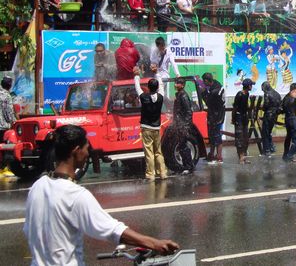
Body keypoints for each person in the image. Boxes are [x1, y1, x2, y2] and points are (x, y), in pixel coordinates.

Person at [24, 125, 179, 265]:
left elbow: (29, 230)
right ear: (76, 150)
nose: (88, 153)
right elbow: (113, 230)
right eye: (86, 148)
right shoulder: (75, 195)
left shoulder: (37, 187)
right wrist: (154, 243)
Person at [134, 66, 167, 181]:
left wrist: (136, 75)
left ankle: (150, 174)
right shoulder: (161, 96)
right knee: (158, 151)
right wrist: (157, 73)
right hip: (156, 128)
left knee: (149, 152)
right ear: (157, 87)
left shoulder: (143, 97)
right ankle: (162, 173)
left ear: (148, 87)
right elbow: (161, 84)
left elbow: (137, 87)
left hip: (146, 128)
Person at [200, 73, 225, 164]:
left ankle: (219, 156)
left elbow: (208, 103)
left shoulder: (215, 91)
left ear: (207, 80)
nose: (203, 83)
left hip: (217, 116)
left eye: (204, 81)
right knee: (211, 135)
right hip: (215, 114)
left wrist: (203, 93)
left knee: (217, 136)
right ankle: (211, 154)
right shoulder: (216, 84)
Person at [173, 77, 195, 174]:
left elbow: (189, 112)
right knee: (181, 145)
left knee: (183, 145)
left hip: (183, 125)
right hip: (179, 124)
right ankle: (186, 165)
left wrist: (185, 125)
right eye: (175, 83)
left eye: (177, 83)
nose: (175, 85)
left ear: (182, 85)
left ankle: (189, 166)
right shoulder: (179, 95)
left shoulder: (183, 96)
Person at [233, 79, 254, 164]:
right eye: (251, 85)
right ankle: (241, 157)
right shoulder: (239, 94)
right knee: (239, 137)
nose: (252, 86)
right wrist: (233, 119)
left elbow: (246, 107)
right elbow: (235, 108)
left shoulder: (247, 94)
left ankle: (244, 156)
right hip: (239, 117)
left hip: (245, 117)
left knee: (246, 137)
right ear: (248, 86)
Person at [0, 77, 17, 176]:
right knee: (6, 148)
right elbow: (9, 113)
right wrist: (14, 122)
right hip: (3, 127)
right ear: (10, 85)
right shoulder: (6, 96)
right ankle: (4, 168)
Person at [261, 81, 281, 156]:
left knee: (265, 133)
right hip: (275, 115)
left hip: (268, 115)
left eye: (262, 89)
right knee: (269, 132)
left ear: (265, 87)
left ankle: (267, 150)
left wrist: (263, 108)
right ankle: (272, 148)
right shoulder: (277, 94)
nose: (263, 90)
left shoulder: (267, 94)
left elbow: (266, 105)